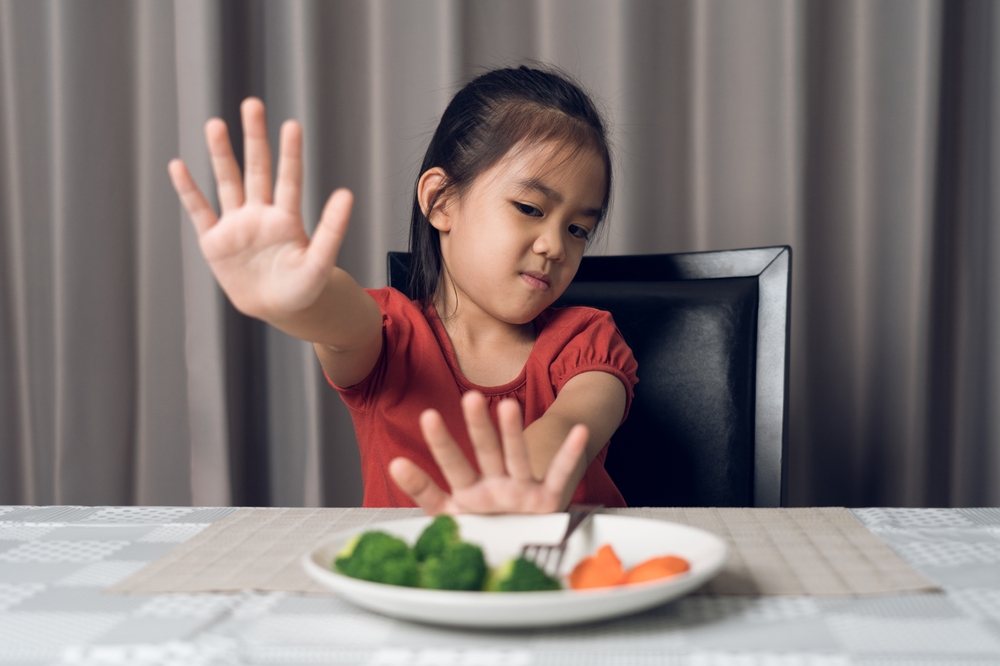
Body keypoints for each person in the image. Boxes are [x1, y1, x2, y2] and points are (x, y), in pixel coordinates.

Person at [168, 66, 638, 515]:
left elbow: (573, 424)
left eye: (578, 230)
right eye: (530, 208)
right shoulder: (390, 338)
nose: (555, 246)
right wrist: (299, 295)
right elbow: (341, 320)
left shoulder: (588, 338)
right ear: (440, 201)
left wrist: (520, 486)